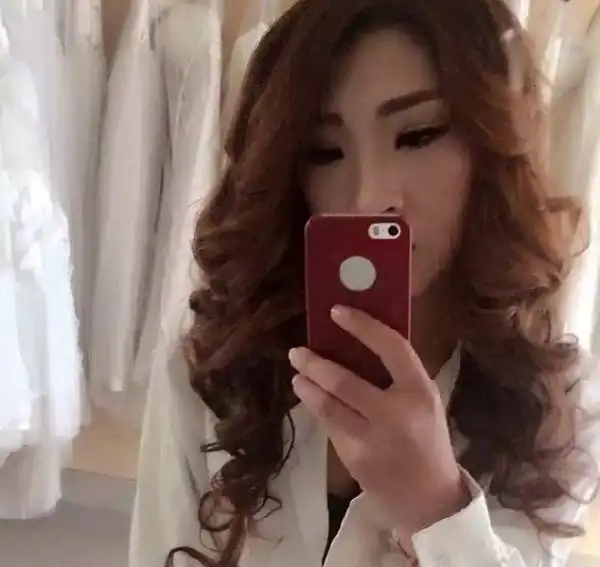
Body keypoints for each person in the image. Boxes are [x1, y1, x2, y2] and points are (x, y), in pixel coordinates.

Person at [129, 1, 600, 566]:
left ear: (491, 145)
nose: (369, 197)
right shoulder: (212, 368)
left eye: (418, 135)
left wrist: (438, 506)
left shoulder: (557, 404)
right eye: (325, 152)